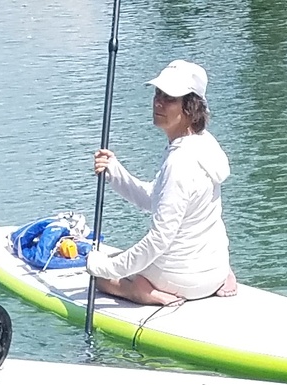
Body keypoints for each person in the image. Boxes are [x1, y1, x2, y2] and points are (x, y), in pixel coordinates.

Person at [85, 60, 237, 306]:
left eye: (169, 98)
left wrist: (106, 267)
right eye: (158, 94)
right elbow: (155, 199)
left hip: (180, 280)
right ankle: (217, 277)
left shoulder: (179, 162)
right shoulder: (205, 144)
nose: (158, 102)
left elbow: (158, 240)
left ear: (190, 107)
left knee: (98, 277)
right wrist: (115, 171)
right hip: (214, 273)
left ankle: (139, 290)